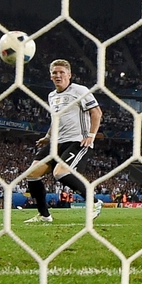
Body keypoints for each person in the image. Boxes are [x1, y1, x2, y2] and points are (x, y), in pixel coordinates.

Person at [24, 59, 104, 223]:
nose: (58, 75)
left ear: (69, 75)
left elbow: (97, 113)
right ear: (51, 76)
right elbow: (56, 119)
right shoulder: (52, 96)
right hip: (57, 142)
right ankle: (44, 216)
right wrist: (48, 137)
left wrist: (91, 135)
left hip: (78, 141)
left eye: (61, 72)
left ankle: (95, 202)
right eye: (55, 73)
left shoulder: (80, 90)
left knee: (60, 173)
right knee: (32, 174)